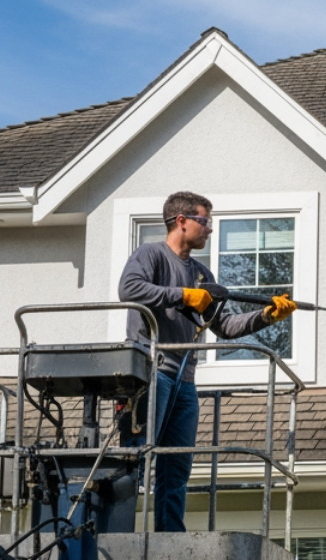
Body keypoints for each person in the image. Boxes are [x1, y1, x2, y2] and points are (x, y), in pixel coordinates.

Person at [117, 191, 295, 532]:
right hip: (150, 374)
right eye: (204, 221)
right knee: (134, 459)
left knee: (177, 467)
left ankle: (169, 538)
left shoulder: (202, 273)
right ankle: (113, 533)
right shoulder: (151, 254)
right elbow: (129, 289)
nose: (210, 229)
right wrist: (182, 295)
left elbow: (224, 325)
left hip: (184, 382)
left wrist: (267, 316)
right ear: (181, 221)